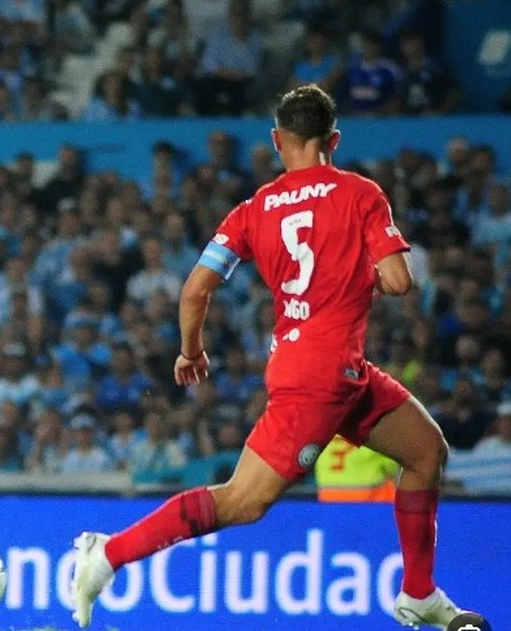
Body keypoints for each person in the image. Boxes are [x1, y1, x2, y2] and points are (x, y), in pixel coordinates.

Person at [69, 84, 466, 629]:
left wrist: (191, 351)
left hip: (321, 367)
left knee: (424, 449)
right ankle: (108, 553)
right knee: (243, 501)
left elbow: (194, 291)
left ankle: (419, 594)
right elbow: (399, 281)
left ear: (277, 140)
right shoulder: (360, 193)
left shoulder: (252, 210)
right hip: (322, 378)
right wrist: (356, 274)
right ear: (334, 140)